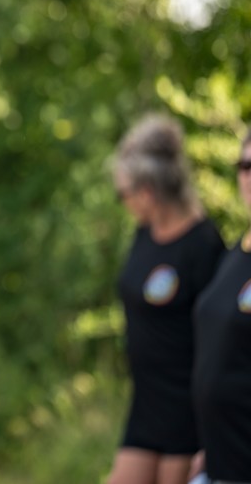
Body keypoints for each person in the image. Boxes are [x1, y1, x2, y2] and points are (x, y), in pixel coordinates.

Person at [107, 114, 226, 484]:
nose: (124, 202)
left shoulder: (202, 245)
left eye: (123, 193)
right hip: (146, 403)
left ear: (147, 191)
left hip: (184, 407)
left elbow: (216, 332)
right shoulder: (143, 235)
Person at [190, 128, 251, 484]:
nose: (250, 176)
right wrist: (208, 447)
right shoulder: (232, 256)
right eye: (245, 165)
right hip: (218, 463)